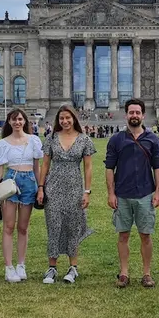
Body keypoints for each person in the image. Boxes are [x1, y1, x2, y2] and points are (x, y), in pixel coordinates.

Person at [105, 98, 159, 288]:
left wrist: (158, 192)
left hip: (145, 194)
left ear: (143, 115)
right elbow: (109, 168)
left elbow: (158, 167)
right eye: (131, 112)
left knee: (146, 235)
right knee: (123, 235)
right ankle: (124, 273)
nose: (134, 115)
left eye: (138, 112)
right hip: (122, 194)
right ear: (126, 115)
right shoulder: (116, 139)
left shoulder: (153, 139)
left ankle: (146, 274)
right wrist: (111, 193)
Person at [36, 105, 96, 284]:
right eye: (61, 118)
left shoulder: (84, 139)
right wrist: (41, 188)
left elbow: (88, 167)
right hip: (53, 188)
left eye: (68, 118)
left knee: (73, 227)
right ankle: (52, 267)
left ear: (74, 118)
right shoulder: (51, 138)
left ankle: (73, 267)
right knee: (53, 226)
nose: (65, 121)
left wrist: (87, 191)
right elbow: (45, 165)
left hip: (74, 188)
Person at [0, 108, 43, 283]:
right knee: (9, 226)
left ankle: (21, 264)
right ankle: (9, 267)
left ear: (25, 121)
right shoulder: (3, 144)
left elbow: (37, 167)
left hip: (29, 182)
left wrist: (41, 187)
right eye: (14, 119)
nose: (17, 122)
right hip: (10, 182)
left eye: (20, 119)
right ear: (9, 122)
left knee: (23, 227)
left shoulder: (33, 140)